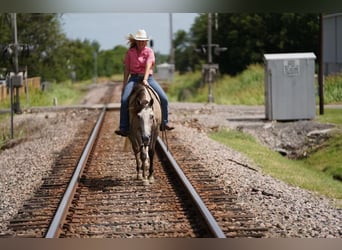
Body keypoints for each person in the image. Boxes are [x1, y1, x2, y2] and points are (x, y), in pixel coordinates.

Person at [115, 29, 174, 137]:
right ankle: (124, 127)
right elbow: (127, 69)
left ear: (146, 42)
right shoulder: (130, 53)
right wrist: (124, 84)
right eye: (139, 41)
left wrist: (145, 79)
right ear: (136, 41)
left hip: (149, 78)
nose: (141, 43)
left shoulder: (149, 52)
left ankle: (164, 123)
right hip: (133, 78)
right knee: (124, 100)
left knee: (164, 98)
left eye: (143, 41)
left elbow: (148, 66)